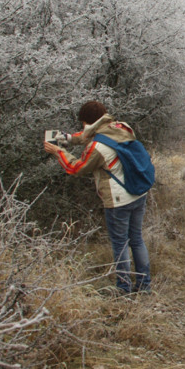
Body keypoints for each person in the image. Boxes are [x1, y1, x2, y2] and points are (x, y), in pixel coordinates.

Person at [44, 101, 152, 295]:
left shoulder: (97, 148)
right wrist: (68, 138)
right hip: (138, 192)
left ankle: (123, 289)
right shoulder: (122, 127)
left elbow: (77, 168)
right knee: (136, 239)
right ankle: (144, 286)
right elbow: (93, 134)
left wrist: (59, 151)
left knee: (120, 245)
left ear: (87, 122)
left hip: (118, 201)